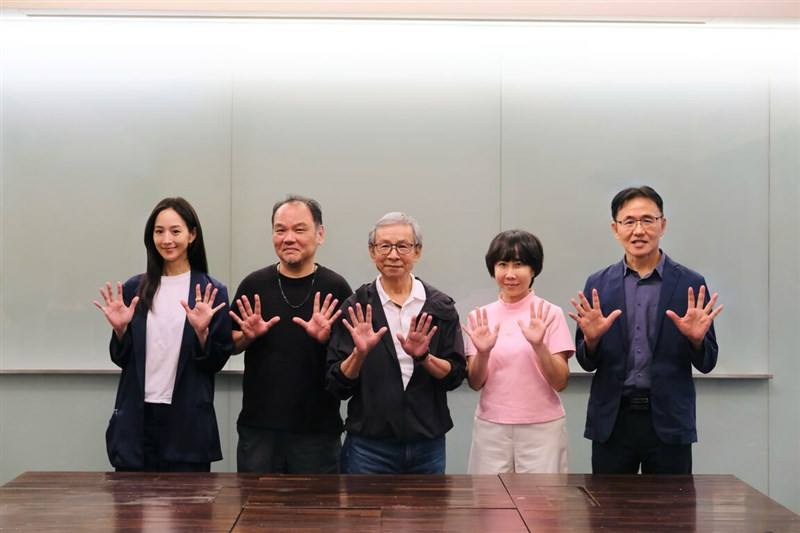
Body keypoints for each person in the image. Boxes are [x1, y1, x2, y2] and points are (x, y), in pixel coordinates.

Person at [570, 186, 723, 474]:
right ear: (616, 229)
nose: (638, 230)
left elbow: (707, 362)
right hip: (613, 422)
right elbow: (586, 362)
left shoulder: (689, 283)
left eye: (647, 220)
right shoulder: (598, 284)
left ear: (662, 225)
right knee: (608, 514)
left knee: (671, 516)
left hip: (668, 422)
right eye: (629, 222)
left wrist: (696, 341)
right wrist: (590, 341)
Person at [94, 197, 232, 472]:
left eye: (175, 231)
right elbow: (121, 358)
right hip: (138, 421)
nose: (167, 239)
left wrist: (202, 333)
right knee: (132, 512)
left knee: (188, 513)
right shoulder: (136, 288)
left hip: (186, 424)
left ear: (192, 235)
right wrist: (120, 330)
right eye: (159, 231)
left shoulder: (210, 291)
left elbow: (215, 362)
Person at [326, 212, 466, 474]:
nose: (393, 255)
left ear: (417, 251)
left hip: (428, 445)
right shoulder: (357, 307)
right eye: (384, 246)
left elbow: (455, 376)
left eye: (403, 246)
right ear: (372, 251)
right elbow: (337, 385)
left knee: (429, 516)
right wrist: (359, 354)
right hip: (368, 448)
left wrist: (424, 357)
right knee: (363, 516)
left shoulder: (440, 307)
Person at [230, 195, 352, 474]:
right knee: (255, 512)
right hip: (259, 429)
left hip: (317, 431)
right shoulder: (253, 284)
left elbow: (349, 362)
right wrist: (247, 337)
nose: (288, 238)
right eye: (280, 229)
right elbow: (229, 345)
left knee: (316, 515)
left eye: (299, 229)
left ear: (319, 234)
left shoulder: (337, 288)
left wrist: (327, 339)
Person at [463, 230, 575, 474]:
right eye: (502, 264)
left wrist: (539, 346)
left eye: (519, 264)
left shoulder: (549, 313)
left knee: (542, 507)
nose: (510, 274)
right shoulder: (480, 317)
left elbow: (560, 381)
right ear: (493, 269)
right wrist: (482, 353)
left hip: (542, 426)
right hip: (491, 425)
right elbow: (474, 382)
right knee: (489, 504)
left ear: (533, 269)